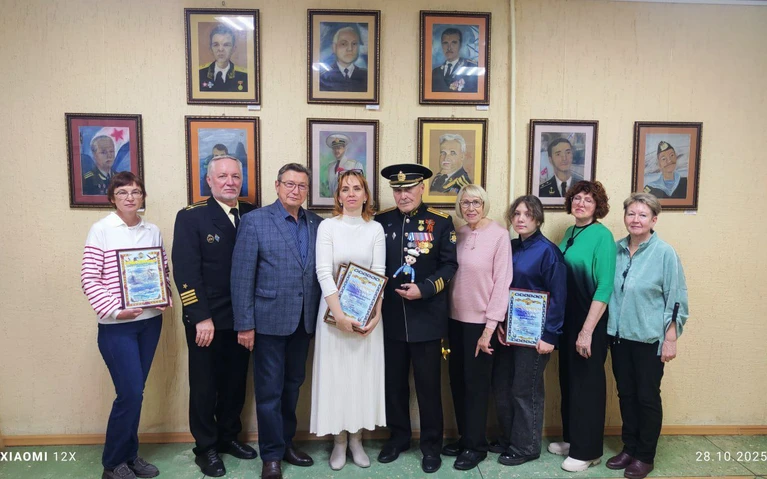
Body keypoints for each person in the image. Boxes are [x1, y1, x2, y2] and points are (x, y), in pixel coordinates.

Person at [231, 163, 322, 479]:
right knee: (269, 391)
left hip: (304, 321)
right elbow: (242, 276)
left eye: (301, 185)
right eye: (289, 184)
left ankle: (287, 445)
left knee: (293, 387)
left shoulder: (317, 223)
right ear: (277, 185)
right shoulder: (255, 221)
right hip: (268, 322)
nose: (295, 190)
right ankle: (271, 456)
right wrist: (245, 324)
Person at [172, 156, 257, 477]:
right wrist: (200, 317)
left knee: (236, 382)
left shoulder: (252, 214)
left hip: (242, 318)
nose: (230, 182)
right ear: (209, 181)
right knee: (205, 386)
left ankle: (228, 437)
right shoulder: (191, 216)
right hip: (207, 319)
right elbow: (186, 270)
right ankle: (206, 447)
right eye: (222, 176)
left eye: (235, 176)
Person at [80, 172, 170, 479]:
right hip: (116, 326)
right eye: (122, 192)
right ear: (112, 198)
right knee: (129, 393)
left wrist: (163, 297)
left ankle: (130, 456)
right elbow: (89, 278)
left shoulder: (152, 231)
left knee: (136, 393)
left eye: (135, 192)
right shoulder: (101, 230)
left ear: (143, 196)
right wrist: (117, 311)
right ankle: (113, 464)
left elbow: (162, 270)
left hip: (150, 323)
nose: (130, 197)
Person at [375, 164, 458, 474]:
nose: (403, 195)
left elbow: (449, 265)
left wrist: (424, 289)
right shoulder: (380, 222)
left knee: (428, 388)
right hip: (390, 318)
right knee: (394, 385)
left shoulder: (440, 223)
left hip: (427, 318)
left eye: (408, 189)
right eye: (397, 190)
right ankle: (398, 438)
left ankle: (431, 446)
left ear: (422, 188)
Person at [606, 193, 689, 479]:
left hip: (649, 339)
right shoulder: (616, 249)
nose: (636, 219)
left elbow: (676, 298)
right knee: (626, 394)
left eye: (642, 215)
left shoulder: (665, 253)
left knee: (646, 396)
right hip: (619, 337)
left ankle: (644, 455)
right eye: (631, 213)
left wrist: (670, 339)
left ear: (654, 220)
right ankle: (629, 447)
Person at [310, 170, 386, 470]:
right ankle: (339, 441)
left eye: (357, 188)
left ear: (366, 195)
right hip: (333, 316)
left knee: (361, 377)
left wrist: (377, 314)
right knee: (337, 377)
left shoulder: (375, 229)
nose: (351, 194)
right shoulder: (328, 227)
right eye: (345, 189)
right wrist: (340, 316)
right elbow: (323, 271)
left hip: (367, 316)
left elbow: (379, 271)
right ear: (338, 196)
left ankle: (357, 440)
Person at [491, 195, 567, 466]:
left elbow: (559, 297)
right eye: (517, 214)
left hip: (535, 335)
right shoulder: (510, 247)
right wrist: (500, 323)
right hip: (508, 330)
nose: (521, 219)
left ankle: (526, 447)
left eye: (528, 214)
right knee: (502, 387)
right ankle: (508, 438)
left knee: (525, 390)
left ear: (538, 218)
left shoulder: (548, 252)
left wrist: (550, 335)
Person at [442, 185, 513, 471]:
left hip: (481, 325)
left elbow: (502, 283)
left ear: (484, 204)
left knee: (476, 387)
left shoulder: (499, 235)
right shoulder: (457, 234)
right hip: (454, 321)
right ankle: (465, 438)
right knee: (458, 383)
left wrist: (489, 328)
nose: (470, 208)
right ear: (459, 207)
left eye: (476, 202)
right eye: (465, 203)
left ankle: (476, 446)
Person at [547, 180, 616, 472]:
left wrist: (586, 331)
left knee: (587, 385)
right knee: (570, 381)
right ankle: (573, 440)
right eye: (577, 198)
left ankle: (588, 451)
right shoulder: (570, 232)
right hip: (568, 320)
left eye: (588, 199)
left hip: (590, 322)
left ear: (597, 205)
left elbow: (605, 287)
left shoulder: (603, 236)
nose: (581, 203)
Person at [199, 24, 248, 92]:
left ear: (233, 49)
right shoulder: (200, 73)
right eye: (216, 45)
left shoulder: (244, 75)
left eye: (226, 45)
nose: (221, 49)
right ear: (210, 49)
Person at [319, 26, 368, 92]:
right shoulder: (323, 78)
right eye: (343, 44)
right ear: (334, 47)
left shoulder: (367, 77)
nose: (350, 49)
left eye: (354, 44)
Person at [431, 27, 478, 93]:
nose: (449, 48)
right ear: (441, 45)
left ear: (460, 45)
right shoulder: (434, 73)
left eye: (454, 43)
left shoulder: (471, 68)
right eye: (445, 43)